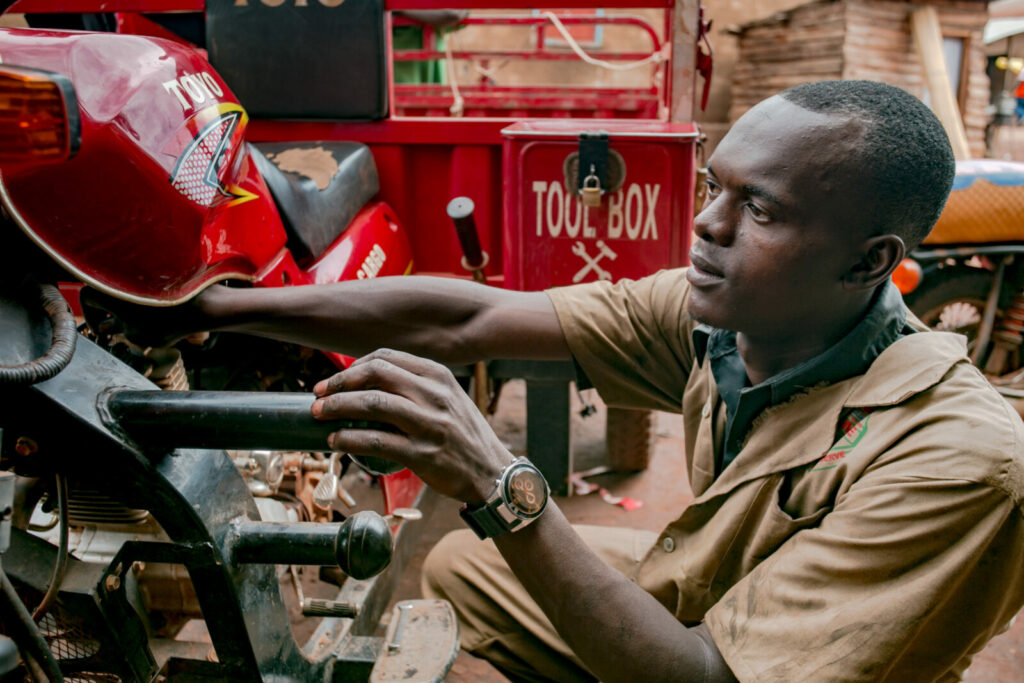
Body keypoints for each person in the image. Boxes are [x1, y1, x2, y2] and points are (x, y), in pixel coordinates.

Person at [97, 80, 1024, 681]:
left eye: (763, 210)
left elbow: (707, 675)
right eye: (716, 187)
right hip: (715, 602)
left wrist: (500, 481)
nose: (708, 225)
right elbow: (468, 319)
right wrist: (219, 308)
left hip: (731, 666)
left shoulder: (965, 465)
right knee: (463, 567)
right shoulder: (735, 322)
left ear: (870, 262)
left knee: (506, 545)